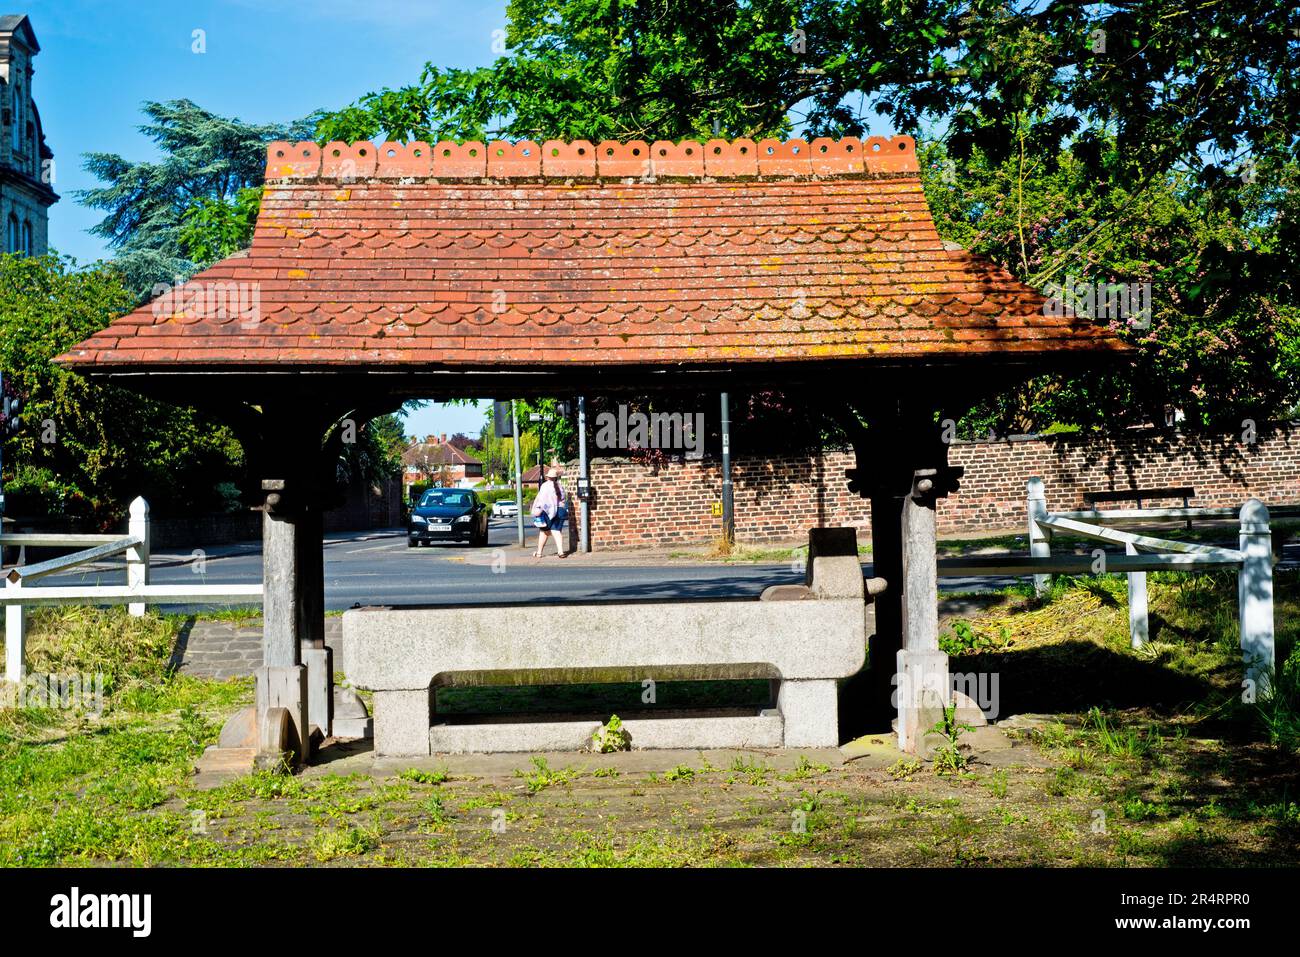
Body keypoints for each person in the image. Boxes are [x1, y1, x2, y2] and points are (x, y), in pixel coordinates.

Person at [531, 466, 568, 559]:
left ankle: (539, 553)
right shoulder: (560, 486)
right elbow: (563, 499)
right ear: (556, 477)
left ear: (548, 477)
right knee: (556, 531)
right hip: (561, 510)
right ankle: (560, 551)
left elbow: (541, 500)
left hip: (548, 511)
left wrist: (537, 512)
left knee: (544, 531)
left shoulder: (545, 486)